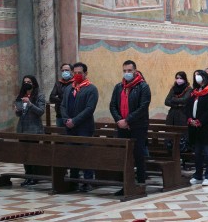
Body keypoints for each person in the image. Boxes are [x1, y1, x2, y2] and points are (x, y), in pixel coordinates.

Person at [109, 60, 151, 195]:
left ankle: (140, 185)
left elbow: (143, 107)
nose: (127, 73)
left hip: (138, 126)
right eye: (124, 71)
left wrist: (127, 120)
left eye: (129, 71)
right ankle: (126, 185)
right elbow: (112, 105)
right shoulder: (119, 87)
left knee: (138, 155)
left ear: (135, 71)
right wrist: (119, 120)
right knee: (124, 156)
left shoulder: (143, 86)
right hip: (122, 127)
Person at [61, 62, 99, 192]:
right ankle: (74, 181)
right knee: (72, 154)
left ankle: (88, 181)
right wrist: (66, 119)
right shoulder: (69, 88)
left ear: (85, 73)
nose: (77, 75)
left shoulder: (91, 89)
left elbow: (89, 109)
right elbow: (63, 106)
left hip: (84, 127)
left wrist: (75, 121)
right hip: (70, 127)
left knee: (85, 154)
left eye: (80, 73)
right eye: (75, 73)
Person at [186, 70, 208, 186]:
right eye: (195, 76)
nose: (197, 77)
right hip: (195, 127)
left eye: (198, 75)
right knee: (197, 152)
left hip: (207, 127)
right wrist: (190, 118)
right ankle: (198, 175)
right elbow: (188, 106)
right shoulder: (194, 91)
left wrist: (201, 121)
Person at [14, 75, 45, 186]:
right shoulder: (21, 95)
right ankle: (27, 176)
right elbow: (20, 114)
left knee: (33, 154)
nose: (26, 83)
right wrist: (17, 110)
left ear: (34, 83)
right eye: (25, 82)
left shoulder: (39, 95)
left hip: (34, 129)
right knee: (24, 154)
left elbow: (40, 111)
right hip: (22, 129)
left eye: (29, 82)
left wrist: (30, 104)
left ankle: (34, 177)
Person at [49, 63, 73, 128]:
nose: (64, 72)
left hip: (72, 115)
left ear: (72, 71)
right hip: (60, 114)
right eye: (63, 70)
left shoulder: (75, 83)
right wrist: (64, 101)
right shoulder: (58, 83)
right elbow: (51, 97)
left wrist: (59, 99)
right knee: (60, 132)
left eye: (67, 70)